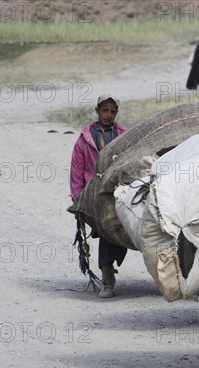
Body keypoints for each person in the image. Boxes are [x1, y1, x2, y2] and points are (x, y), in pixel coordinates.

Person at [70, 94, 127, 298]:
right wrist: (78, 200)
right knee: (106, 232)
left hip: (119, 191)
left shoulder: (123, 135)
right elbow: (77, 172)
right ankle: (107, 278)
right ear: (97, 111)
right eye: (105, 110)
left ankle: (110, 266)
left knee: (122, 233)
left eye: (112, 111)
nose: (108, 115)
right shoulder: (85, 139)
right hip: (95, 194)